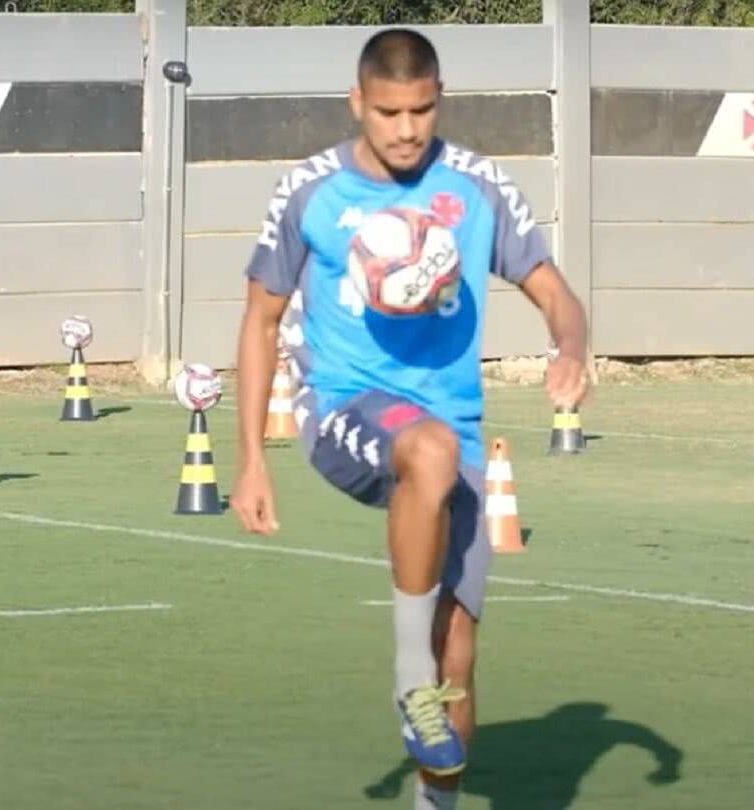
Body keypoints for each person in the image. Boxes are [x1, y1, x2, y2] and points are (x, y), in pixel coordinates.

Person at [228, 26, 590, 810]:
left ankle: (436, 787)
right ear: (358, 102)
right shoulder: (312, 191)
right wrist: (252, 458)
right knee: (421, 453)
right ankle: (405, 681)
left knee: (456, 650)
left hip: (452, 430)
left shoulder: (479, 187)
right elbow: (259, 323)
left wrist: (570, 345)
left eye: (421, 110)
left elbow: (556, 291)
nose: (405, 129)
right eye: (388, 111)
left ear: (439, 102)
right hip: (345, 411)